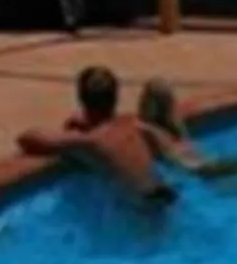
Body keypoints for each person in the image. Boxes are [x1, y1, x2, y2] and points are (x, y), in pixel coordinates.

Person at [17, 63, 178, 208]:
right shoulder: (133, 124)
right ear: (115, 98)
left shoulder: (91, 141)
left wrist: (70, 133)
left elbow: (27, 139)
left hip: (141, 208)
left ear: (81, 100)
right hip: (165, 195)